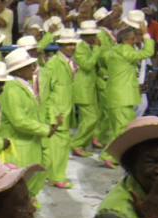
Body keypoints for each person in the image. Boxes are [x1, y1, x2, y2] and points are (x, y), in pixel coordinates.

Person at [0, 48, 58, 207]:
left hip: (32, 140)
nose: (32, 69)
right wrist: (45, 130)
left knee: (39, 171)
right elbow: (19, 121)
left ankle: (29, 198)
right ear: (18, 70)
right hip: (19, 145)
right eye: (28, 66)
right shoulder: (11, 90)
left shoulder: (25, 85)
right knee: (22, 178)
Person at [97, 23, 154, 169]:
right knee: (121, 128)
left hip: (119, 95)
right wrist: (147, 34)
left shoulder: (112, 51)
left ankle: (117, 155)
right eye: (133, 38)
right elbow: (147, 52)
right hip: (122, 95)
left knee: (124, 127)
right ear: (125, 40)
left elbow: (102, 59)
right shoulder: (125, 51)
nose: (135, 40)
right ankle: (108, 155)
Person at [40, 28, 79, 189]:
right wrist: (53, 113)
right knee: (59, 146)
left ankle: (54, 175)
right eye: (68, 44)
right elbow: (45, 91)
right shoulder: (53, 64)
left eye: (73, 44)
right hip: (58, 111)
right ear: (60, 45)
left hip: (65, 109)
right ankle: (57, 176)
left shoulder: (69, 62)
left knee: (61, 145)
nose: (72, 47)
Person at [70, 20, 102, 158]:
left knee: (90, 118)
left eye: (94, 34)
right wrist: (97, 49)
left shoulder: (88, 47)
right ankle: (76, 143)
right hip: (83, 88)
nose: (94, 37)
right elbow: (88, 65)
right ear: (84, 36)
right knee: (92, 118)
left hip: (91, 88)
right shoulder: (79, 48)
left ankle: (81, 145)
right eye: (91, 35)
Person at [93, 6, 115, 149]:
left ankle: (98, 137)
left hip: (107, 74)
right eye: (109, 17)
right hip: (104, 75)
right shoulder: (101, 34)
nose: (112, 19)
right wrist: (117, 56)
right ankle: (97, 136)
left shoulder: (107, 34)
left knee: (105, 110)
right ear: (103, 20)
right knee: (106, 110)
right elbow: (102, 55)